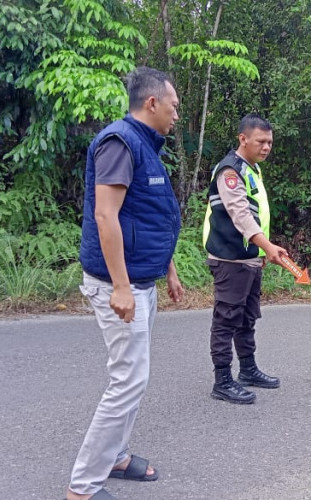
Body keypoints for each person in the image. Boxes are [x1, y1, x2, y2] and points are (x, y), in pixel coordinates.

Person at [67, 67, 184, 500]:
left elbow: (151, 216)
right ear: (151, 103)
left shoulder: (148, 147)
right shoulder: (120, 142)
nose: (176, 114)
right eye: (173, 105)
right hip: (121, 285)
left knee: (134, 377)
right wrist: (119, 285)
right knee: (127, 381)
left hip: (142, 280)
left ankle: (114, 455)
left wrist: (167, 267)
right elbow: (105, 215)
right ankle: (82, 487)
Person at [202, 113, 288, 404]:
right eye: (261, 141)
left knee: (247, 318)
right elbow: (239, 213)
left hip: (249, 257)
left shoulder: (251, 169)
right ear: (243, 139)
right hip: (229, 259)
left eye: (270, 142)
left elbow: (256, 215)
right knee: (226, 319)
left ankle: (248, 370)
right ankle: (223, 380)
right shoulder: (230, 170)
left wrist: (262, 252)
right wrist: (267, 246)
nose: (266, 147)